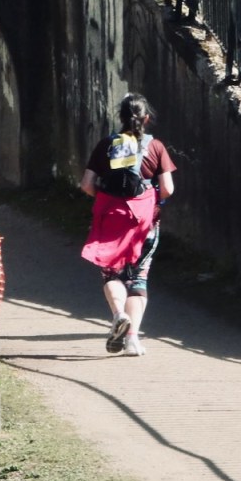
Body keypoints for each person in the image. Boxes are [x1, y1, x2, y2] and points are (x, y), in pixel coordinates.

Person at [80, 93, 176, 357]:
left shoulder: (106, 145)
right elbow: (167, 188)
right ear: (146, 118)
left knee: (112, 274)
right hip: (144, 223)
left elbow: (87, 185)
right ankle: (133, 339)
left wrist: (106, 195)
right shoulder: (155, 147)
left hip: (111, 219)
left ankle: (119, 314)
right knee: (139, 278)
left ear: (120, 117)